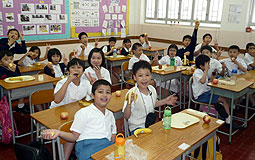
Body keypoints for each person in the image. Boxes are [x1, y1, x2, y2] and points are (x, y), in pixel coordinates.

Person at [43, 79, 116, 160]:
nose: (105, 95)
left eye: (108, 92)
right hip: (88, 150)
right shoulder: (83, 113)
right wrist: (59, 133)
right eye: (100, 92)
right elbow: (74, 137)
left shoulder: (110, 114)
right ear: (92, 95)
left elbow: (113, 136)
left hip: (106, 149)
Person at [50, 58, 96, 160]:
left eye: (79, 67)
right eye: (73, 67)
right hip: (57, 113)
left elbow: (94, 97)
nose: (76, 70)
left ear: (83, 71)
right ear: (68, 70)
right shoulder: (62, 82)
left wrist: (94, 86)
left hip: (74, 112)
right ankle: (65, 157)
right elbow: (57, 100)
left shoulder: (85, 82)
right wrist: (68, 81)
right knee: (72, 130)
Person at [122, 61, 177, 134]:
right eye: (140, 76)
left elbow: (153, 104)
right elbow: (126, 116)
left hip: (150, 124)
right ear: (134, 77)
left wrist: (165, 101)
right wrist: (129, 104)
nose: (144, 79)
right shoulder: (132, 93)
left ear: (151, 76)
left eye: (147, 75)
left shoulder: (152, 89)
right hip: (137, 128)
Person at [193, 55, 240, 129]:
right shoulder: (197, 72)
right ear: (201, 65)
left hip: (206, 92)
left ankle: (222, 110)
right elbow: (202, 81)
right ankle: (228, 121)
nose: (209, 65)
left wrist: (213, 78)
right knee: (223, 100)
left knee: (224, 98)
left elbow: (206, 82)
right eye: (207, 64)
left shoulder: (202, 71)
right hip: (201, 96)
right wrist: (206, 71)